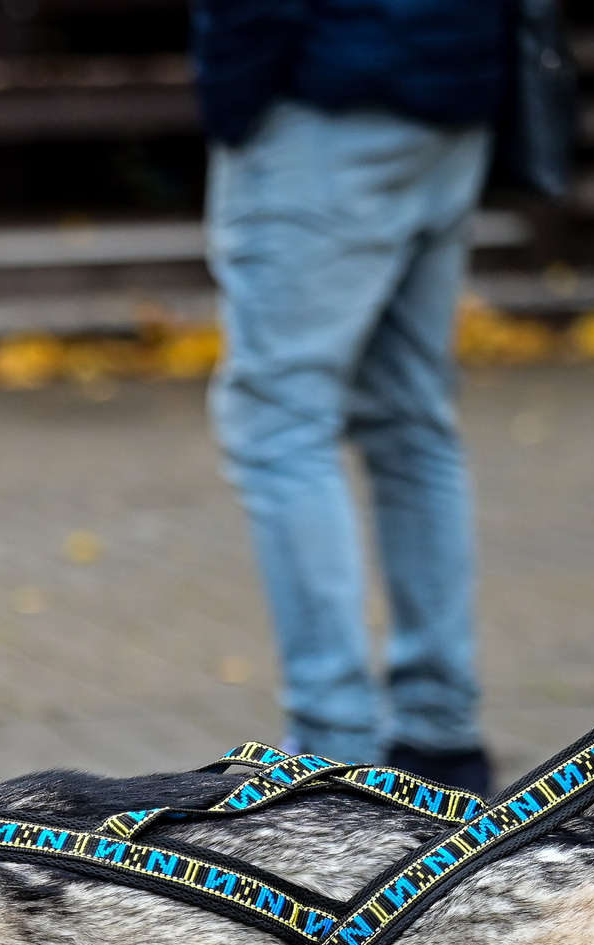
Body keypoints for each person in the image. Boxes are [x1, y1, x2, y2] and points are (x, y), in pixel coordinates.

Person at [193, 0, 507, 793]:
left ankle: (334, 761)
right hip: (451, 85)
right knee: (412, 422)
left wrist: (235, 99)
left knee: (278, 425)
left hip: (326, 99)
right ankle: (440, 743)